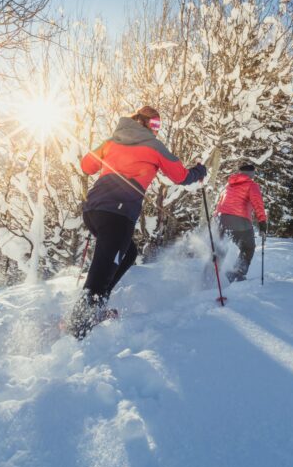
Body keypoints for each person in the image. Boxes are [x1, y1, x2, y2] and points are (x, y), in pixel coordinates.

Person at [72, 106, 206, 338]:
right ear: (142, 122)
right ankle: (80, 324)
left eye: (158, 126)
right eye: (154, 125)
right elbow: (180, 176)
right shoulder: (154, 146)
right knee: (104, 266)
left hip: (94, 210)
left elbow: (86, 166)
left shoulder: (112, 140)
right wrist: (199, 170)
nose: (156, 130)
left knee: (128, 253)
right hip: (118, 214)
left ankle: (95, 306)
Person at [214, 162, 267, 282]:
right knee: (248, 247)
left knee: (219, 248)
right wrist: (262, 223)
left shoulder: (229, 184)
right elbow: (258, 204)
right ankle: (237, 273)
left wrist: (216, 220)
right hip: (240, 220)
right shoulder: (251, 185)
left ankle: (210, 274)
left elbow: (220, 203)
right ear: (251, 174)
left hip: (221, 219)